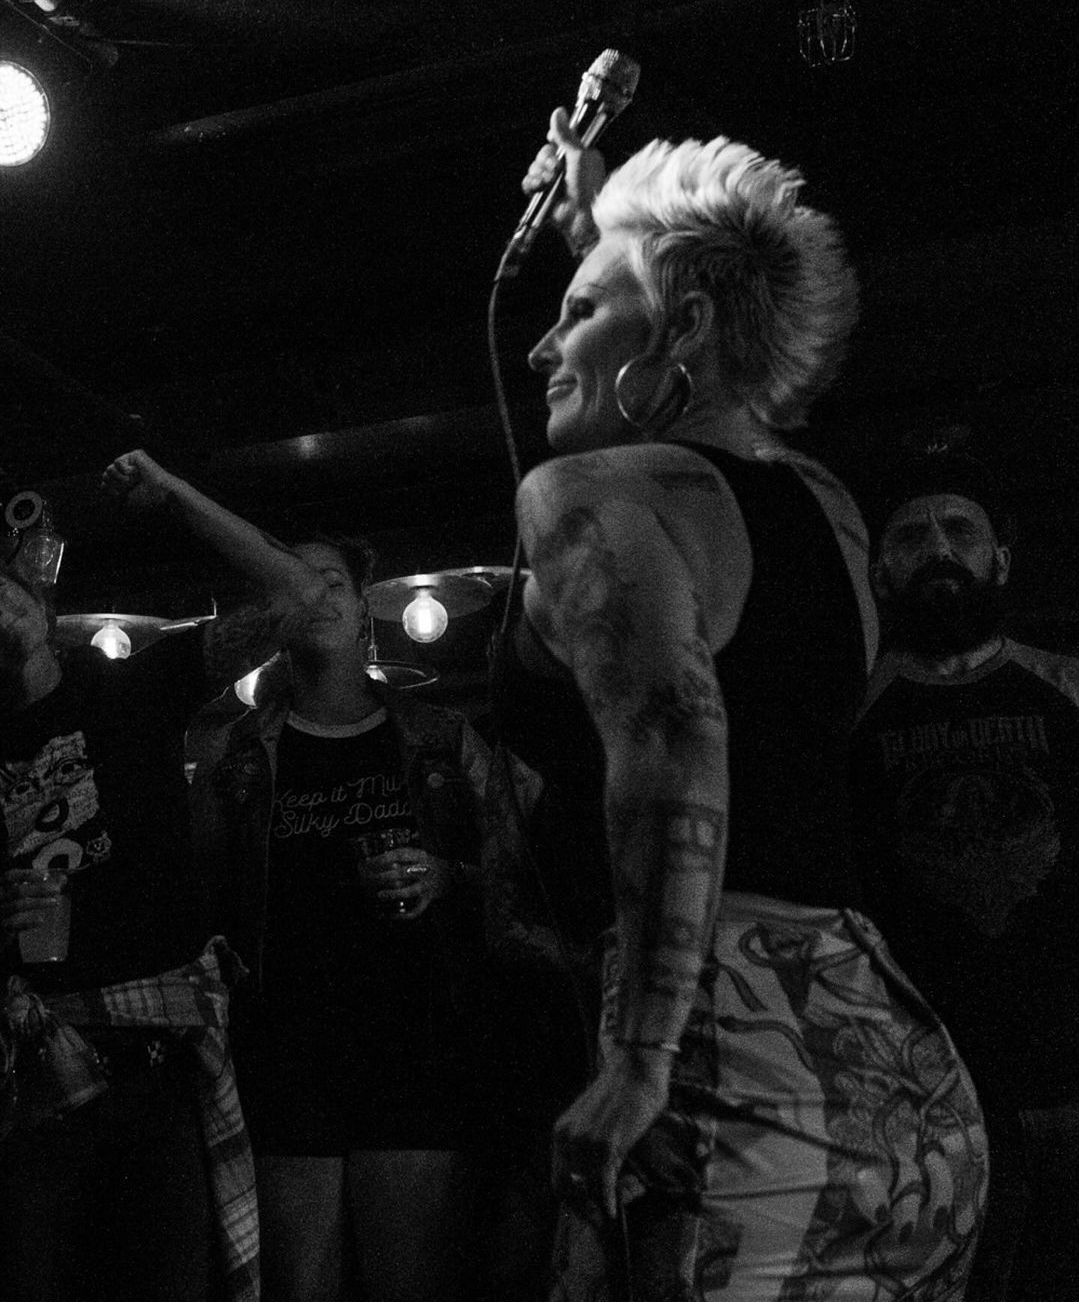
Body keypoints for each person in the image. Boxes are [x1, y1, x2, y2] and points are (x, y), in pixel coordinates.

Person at [489, 109, 988, 1299]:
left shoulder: (586, 491)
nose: (540, 347)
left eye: (577, 313)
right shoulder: (827, 508)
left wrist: (640, 1057)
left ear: (688, 327)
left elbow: (677, 740)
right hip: (900, 1086)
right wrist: (608, 238)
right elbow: (773, 728)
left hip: (725, 1072)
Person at [1, 449, 330, 1302]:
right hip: (28, 1076)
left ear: (40, 592)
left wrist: (178, 495)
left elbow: (302, 596)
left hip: (155, 1070)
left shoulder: (133, 688)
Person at [188, 530, 498, 1302]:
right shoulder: (236, 753)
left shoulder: (440, 738)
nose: (314, 597)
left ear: (364, 607)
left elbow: (522, 880)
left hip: (417, 1039)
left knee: (411, 1283)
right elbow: (197, 899)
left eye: (330, 581)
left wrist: (446, 876)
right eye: (291, 583)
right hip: (284, 1046)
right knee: (298, 1286)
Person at [849, 449, 1079, 1302]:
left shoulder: (1066, 687)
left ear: (1000, 561)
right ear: (879, 572)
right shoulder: (846, 714)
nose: (937, 548)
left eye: (958, 529)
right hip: (927, 1083)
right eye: (911, 536)